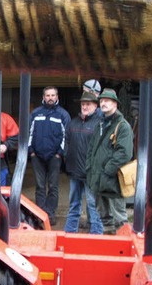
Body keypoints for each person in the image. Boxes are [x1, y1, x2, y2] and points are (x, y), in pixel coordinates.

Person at [86, 88, 134, 234]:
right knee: (103, 218)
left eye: (107, 100)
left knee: (119, 219)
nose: (103, 103)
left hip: (113, 181)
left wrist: (107, 170)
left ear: (115, 104)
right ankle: (108, 246)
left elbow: (124, 153)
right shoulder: (100, 124)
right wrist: (90, 167)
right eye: (101, 100)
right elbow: (92, 148)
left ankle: (123, 248)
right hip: (99, 180)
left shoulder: (122, 126)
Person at [29, 86, 71, 226]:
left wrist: (60, 153)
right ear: (43, 96)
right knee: (40, 186)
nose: (50, 98)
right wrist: (31, 151)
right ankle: (40, 214)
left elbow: (67, 136)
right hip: (37, 156)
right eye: (48, 95)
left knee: (53, 186)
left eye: (53, 95)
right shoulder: (35, 113)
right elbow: (28, 133)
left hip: (54, 157)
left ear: (57, 96)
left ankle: (50, 214)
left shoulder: (63, 115)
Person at [63, 91, 103, 234]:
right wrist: (66, 157)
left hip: (91, 173)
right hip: (74, 171)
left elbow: (102, 148)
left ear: (95, 106)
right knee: (74, 204)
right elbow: (66, 142)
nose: (85, 107)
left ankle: (97, 235)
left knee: (93, 205)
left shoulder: (99, 124)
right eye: (83, 104)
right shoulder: (73, 122)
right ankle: (69, 233)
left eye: (88, 104)